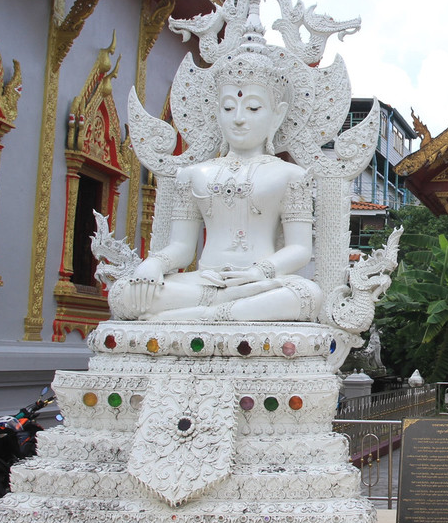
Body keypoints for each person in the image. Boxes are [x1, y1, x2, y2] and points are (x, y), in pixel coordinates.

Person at [110, 46, 323, 322]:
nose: (239, 118)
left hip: (259, 283)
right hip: (204, 282)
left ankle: (199, 316)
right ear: (216, 111)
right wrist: (153, 264)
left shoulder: (291, 175)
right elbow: (183, 247)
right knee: (124, 294)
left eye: (254, 108)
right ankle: (219, 311)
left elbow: (300, 249)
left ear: (277, 114)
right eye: (228, 107)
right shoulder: (194, 174)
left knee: (307, 295)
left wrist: (260, 272)